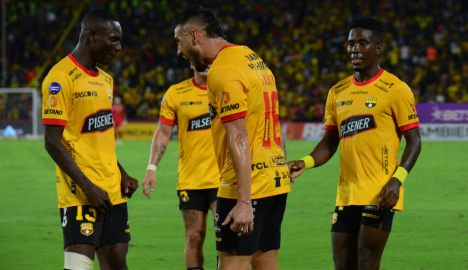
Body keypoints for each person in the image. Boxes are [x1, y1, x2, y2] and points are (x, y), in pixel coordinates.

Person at [288, 17, 422, 270]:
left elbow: (414, 141)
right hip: (346, 194)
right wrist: (304, 162)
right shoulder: (337, 92)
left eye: (363, 43)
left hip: (380, 192)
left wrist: (397, 179)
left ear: (378, 49)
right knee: (342, 265)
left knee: (366, 262)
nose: (355, 49)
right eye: (351, 44)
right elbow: (329, 143)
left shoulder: (396, 89)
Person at [174, 7, 291, 270]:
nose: (178, 51)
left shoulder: (223, 70)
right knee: (267, 264)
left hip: (246, 185)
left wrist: (244, 201)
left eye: (179, 42)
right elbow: (273, 118)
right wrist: (280, 160)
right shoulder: (252, 57)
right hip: (275, 181)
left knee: (231, 266)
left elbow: (237, 134)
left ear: (194, 36)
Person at [42, 9, 139, 270]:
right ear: (93, 35)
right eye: (114, 39)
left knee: (118, 264)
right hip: (80, 196)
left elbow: (101, 137)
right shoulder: (60, 78)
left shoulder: (106, 80)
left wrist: (121, 172)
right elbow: (52, 141)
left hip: (112, 194)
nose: (118, 48)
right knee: (79, 267)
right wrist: (88, 187)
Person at [141, 63, 220, 270]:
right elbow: (164, 132)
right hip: (190, 179)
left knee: (225, 237)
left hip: (223, 178)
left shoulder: (227, 89)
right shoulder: (175, 93)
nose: (205, 64)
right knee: (193, 238)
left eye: (210, 60)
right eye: (201, 60)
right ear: (192, 62)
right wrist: (151, 167)